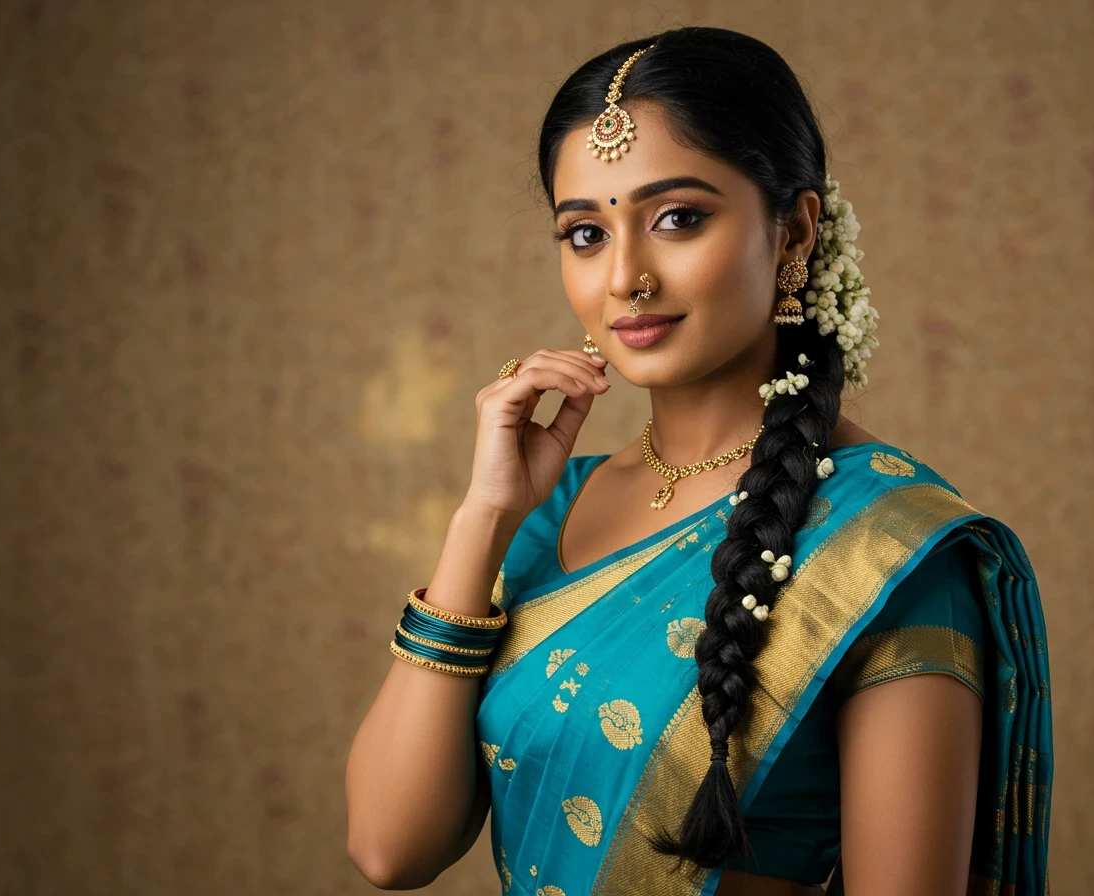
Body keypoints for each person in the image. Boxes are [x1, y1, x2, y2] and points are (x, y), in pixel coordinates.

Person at [345, 26, 1052, 896]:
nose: (625, 278)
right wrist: (483, 517)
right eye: (585, 233)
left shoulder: (886, 551)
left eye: (677, 218)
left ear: (793, 231)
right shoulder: (547, 507)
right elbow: (389, 847)